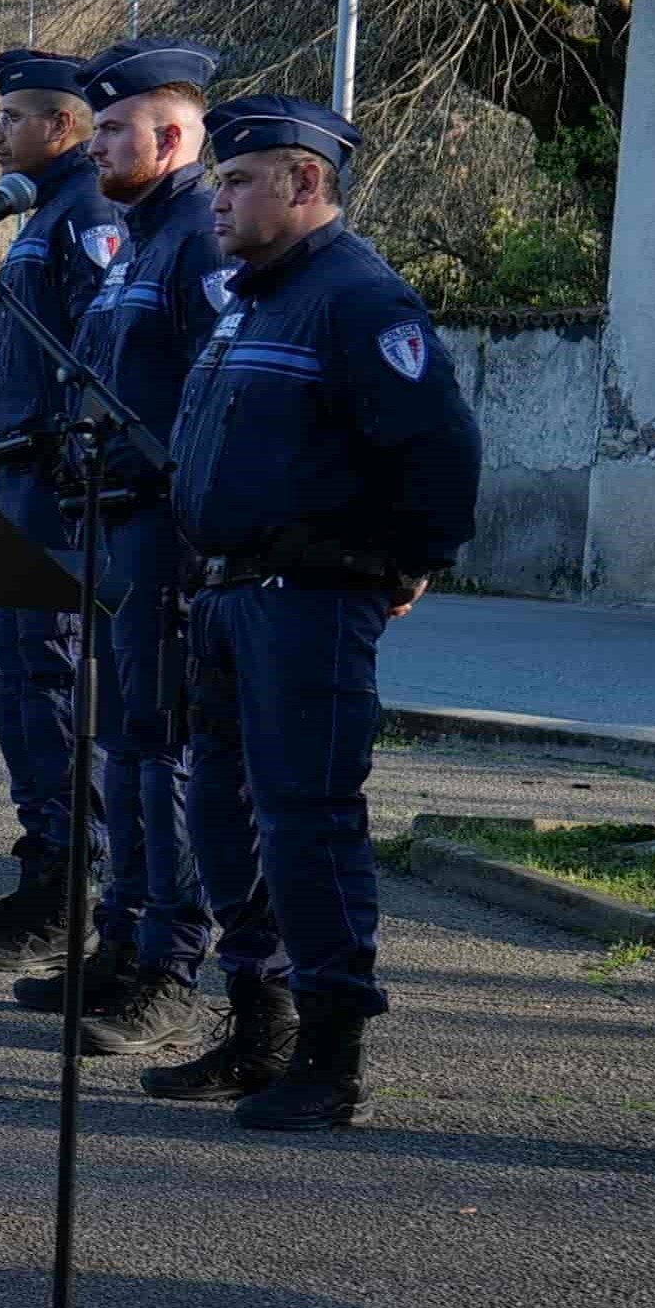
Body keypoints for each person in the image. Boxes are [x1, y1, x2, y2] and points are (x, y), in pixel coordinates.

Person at [136, 99, 481, 1132]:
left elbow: (441, 450)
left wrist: (406, 562)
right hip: (230, 597)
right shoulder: (255, 298)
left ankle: (330, 1053)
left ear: (304, 184)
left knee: (307, 823)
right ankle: (260, 1027)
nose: (219, 205)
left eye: (238, 183)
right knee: (227, 820)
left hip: (310, 600)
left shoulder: (359, 301)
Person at [20, 36, 229, 1057]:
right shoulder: (142, 237)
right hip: (113, 524)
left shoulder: (199, 237)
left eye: (112, 128)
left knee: (166, 752)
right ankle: (123, 940)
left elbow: (215, 392)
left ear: (175, 134)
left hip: (169, 533)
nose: (96, 144)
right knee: (126, 743)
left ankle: (168, 965)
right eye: (96, 127)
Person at [0, 52, 108, 970]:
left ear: (63, 126)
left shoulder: (86, 217)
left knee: (49, 679)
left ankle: (71, 893)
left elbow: (97, 354)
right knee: (18, 682)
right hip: (19, 480)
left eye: (11, 116)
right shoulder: (44, 215)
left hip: (56, 484)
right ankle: (42, 869)